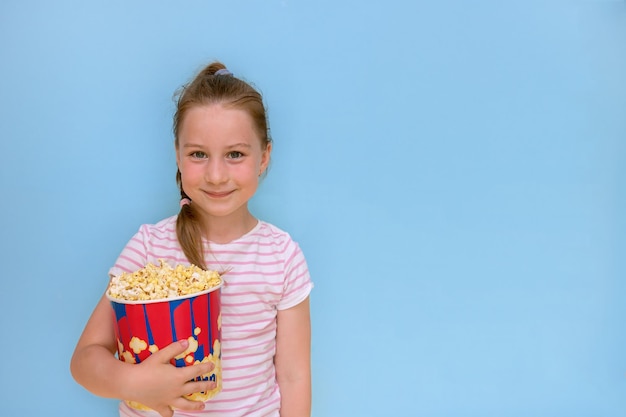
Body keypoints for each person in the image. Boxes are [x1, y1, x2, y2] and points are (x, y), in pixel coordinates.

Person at [70, 61, 313, 417]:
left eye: (235, 154)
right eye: (198, 154)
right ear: (178, 156)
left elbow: (293, 377)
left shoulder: (282, 256)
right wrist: (136, 384)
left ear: (264, 157)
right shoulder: (149, 248)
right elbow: (85, 361)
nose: (216, 175)